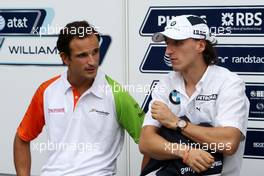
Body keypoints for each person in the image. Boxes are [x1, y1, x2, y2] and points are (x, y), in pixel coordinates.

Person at [14, 20, 144, 175]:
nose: (92, 61)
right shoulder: (46, 91)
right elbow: (22, 138)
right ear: (65, 58)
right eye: (82, 55)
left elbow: (149, 141)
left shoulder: (117, 94)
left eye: (95, 52)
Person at [139, 14, 249, 176]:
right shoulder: (165, 84)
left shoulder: (229, 82)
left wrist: (177, 123)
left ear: (200, 45)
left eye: (177, 43)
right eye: (167, 43)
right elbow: (146, 143)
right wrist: (185, 152)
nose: (168, 51)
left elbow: (228, 143)